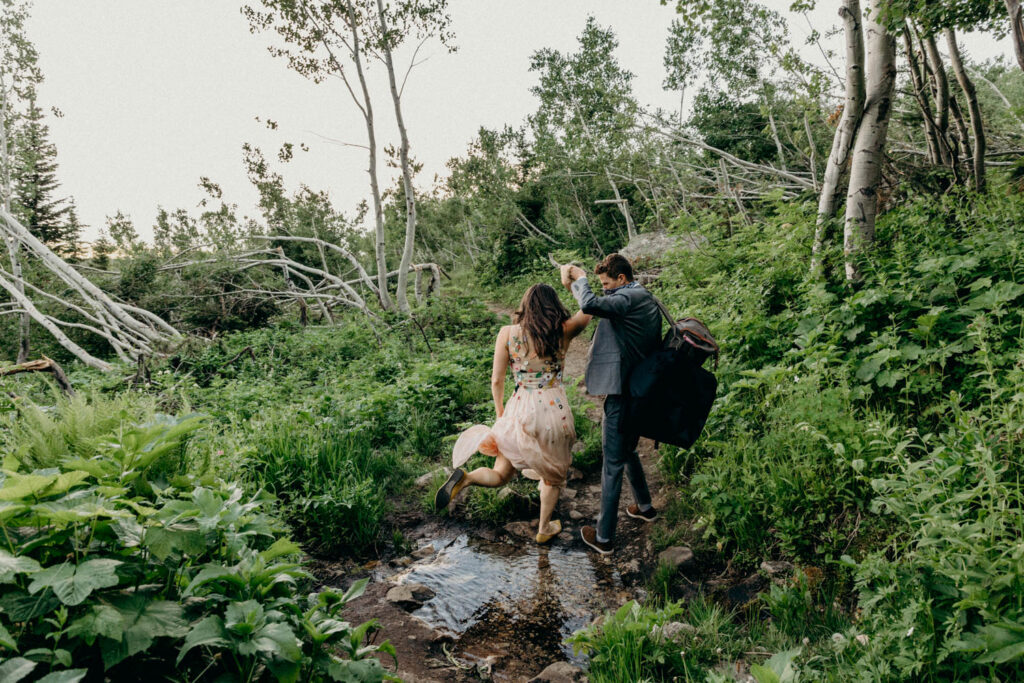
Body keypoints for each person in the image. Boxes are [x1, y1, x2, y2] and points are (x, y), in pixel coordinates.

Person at [435, 284, 592, 544]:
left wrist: (501, 414)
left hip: (520, 406)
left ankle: (468, 478)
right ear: (554, 306)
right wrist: (578, 278)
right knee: (554, 477)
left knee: (501, 474)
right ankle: (544, 527)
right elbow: (588, 308)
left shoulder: (507, 333)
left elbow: (497, 380)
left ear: (525, 306)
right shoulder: (563, 330)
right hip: (554, 409)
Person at [561, 254, 662, 555]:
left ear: (621, 278)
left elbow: (591, 304)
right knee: (627, 450)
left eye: (606, 283)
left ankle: (603, 537)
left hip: (623, 393)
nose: (603, 289)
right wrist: (576, 287)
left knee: (612, 462)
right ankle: (645, 507)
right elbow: (595, 303)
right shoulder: (641, 295)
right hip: (640, 388)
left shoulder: (627, 298)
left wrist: (580, 278)